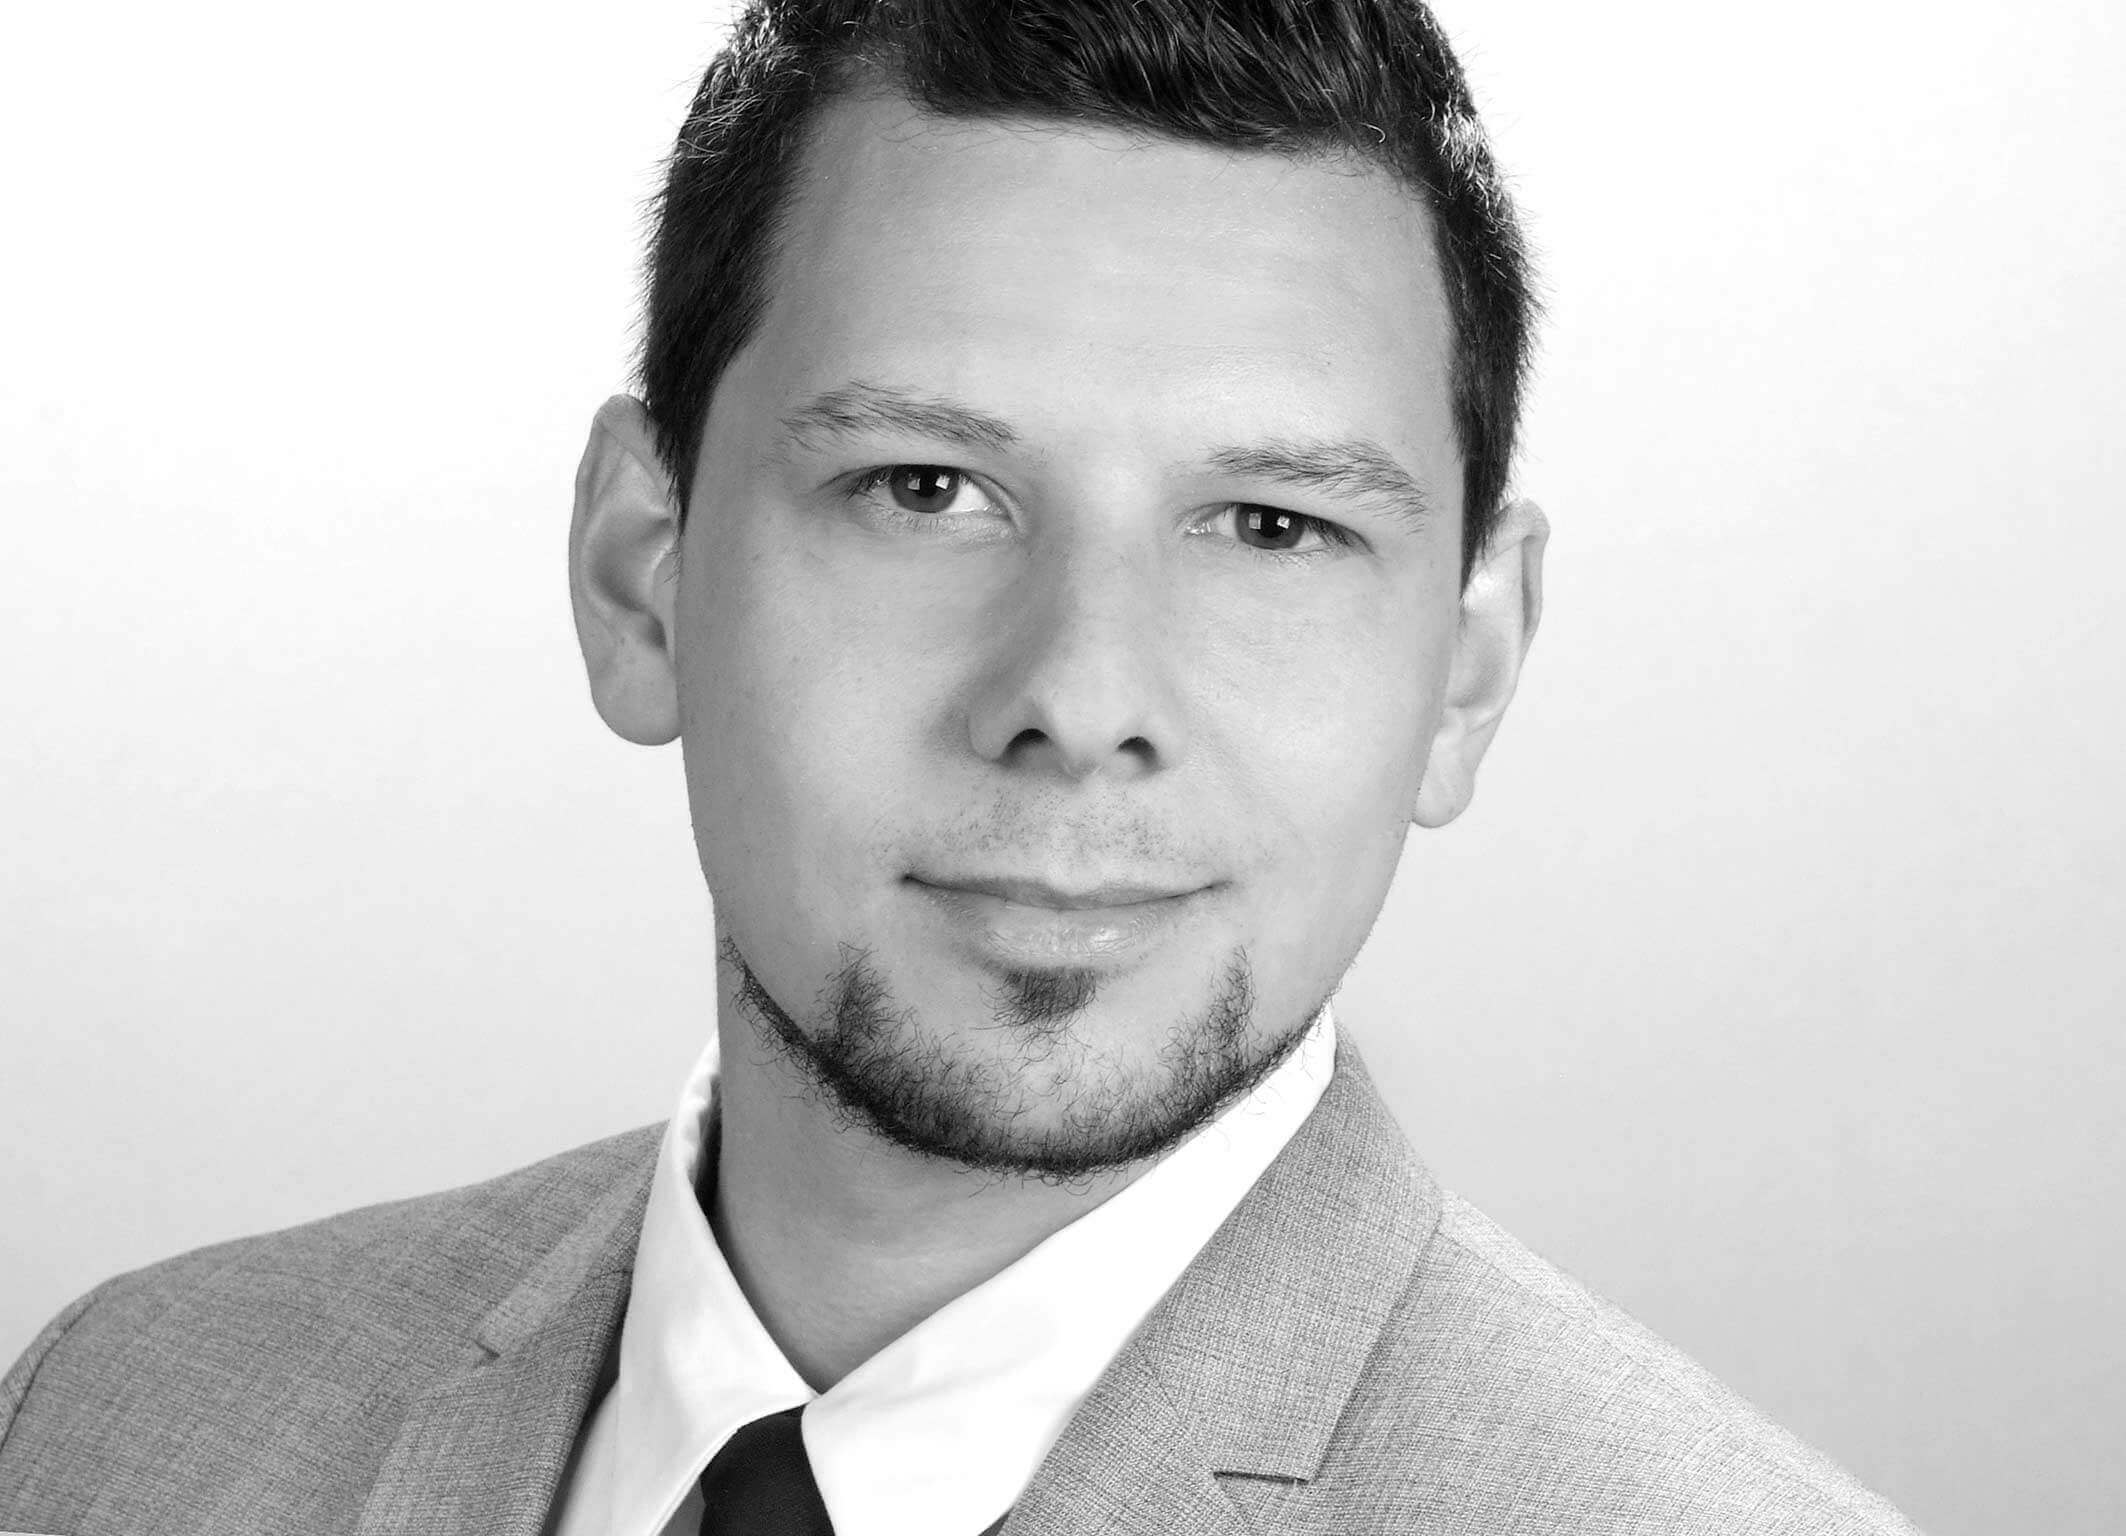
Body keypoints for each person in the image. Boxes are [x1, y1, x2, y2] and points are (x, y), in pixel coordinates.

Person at [0, 1, 1924, 1532]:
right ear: (641, 576)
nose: (1078, 696)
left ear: (1468, 668)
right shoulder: (117, 1426)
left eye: (1270, 526)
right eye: (923, 489)